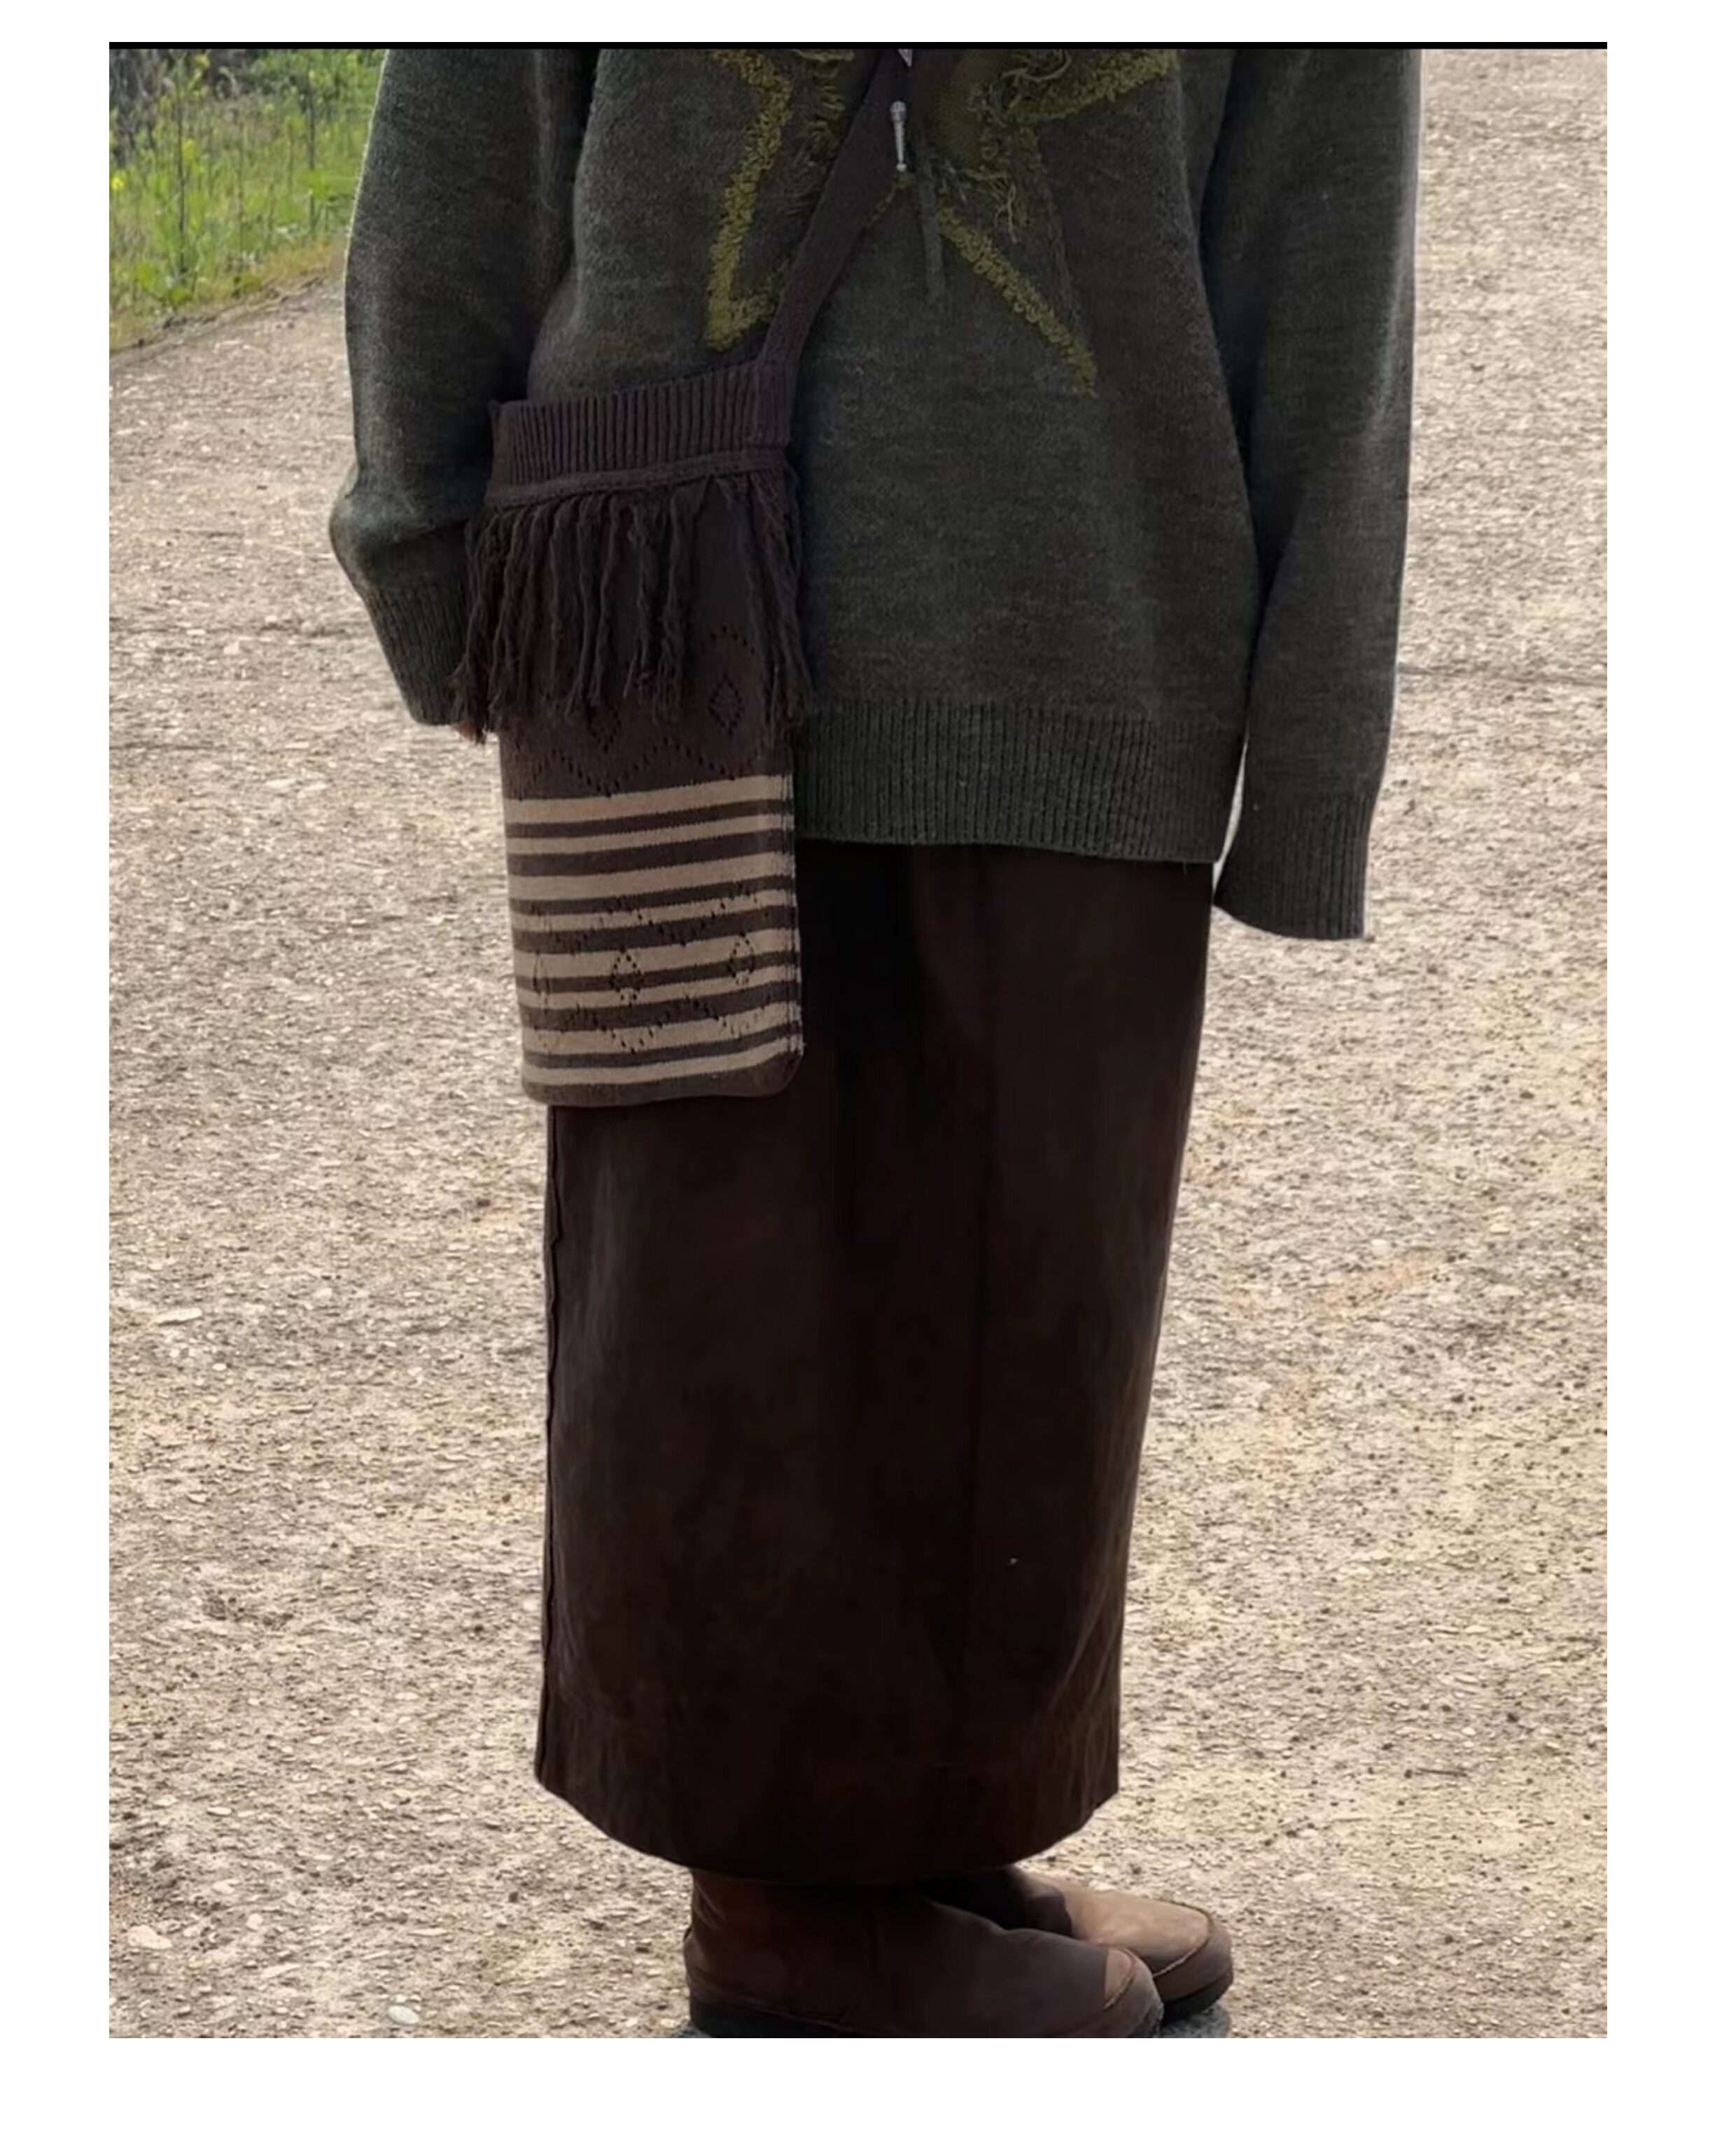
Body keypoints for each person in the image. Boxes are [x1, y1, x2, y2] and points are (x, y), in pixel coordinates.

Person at [331, 43, 1419, 2039]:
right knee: (719, 1319)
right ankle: (778, 1906)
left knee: (1027, 1316)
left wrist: (1313, 751)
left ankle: (927, 1836)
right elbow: (473, 117)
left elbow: (1324, 255)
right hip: (678, 640)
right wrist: (432, 547)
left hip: (1094, 650)